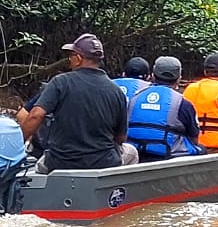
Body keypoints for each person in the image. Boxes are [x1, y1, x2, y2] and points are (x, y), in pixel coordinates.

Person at [16, 33, 136, 170]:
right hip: (103, 162)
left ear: (78, 59)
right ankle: (116, 190)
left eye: (71, 56)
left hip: (60, 163)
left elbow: (35, 115)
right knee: (132, 153)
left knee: (35, 165)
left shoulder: (60, 82)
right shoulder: (117, 91)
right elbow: (121, 138)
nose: (70, 60)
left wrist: (17, 146)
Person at [126, 56, 202, 160]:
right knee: (201, 149)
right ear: (179, 78)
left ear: (152, 76)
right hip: (168, 156)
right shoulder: (183, 103)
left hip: (137, 153)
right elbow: (194, 138)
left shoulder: (134, 97)